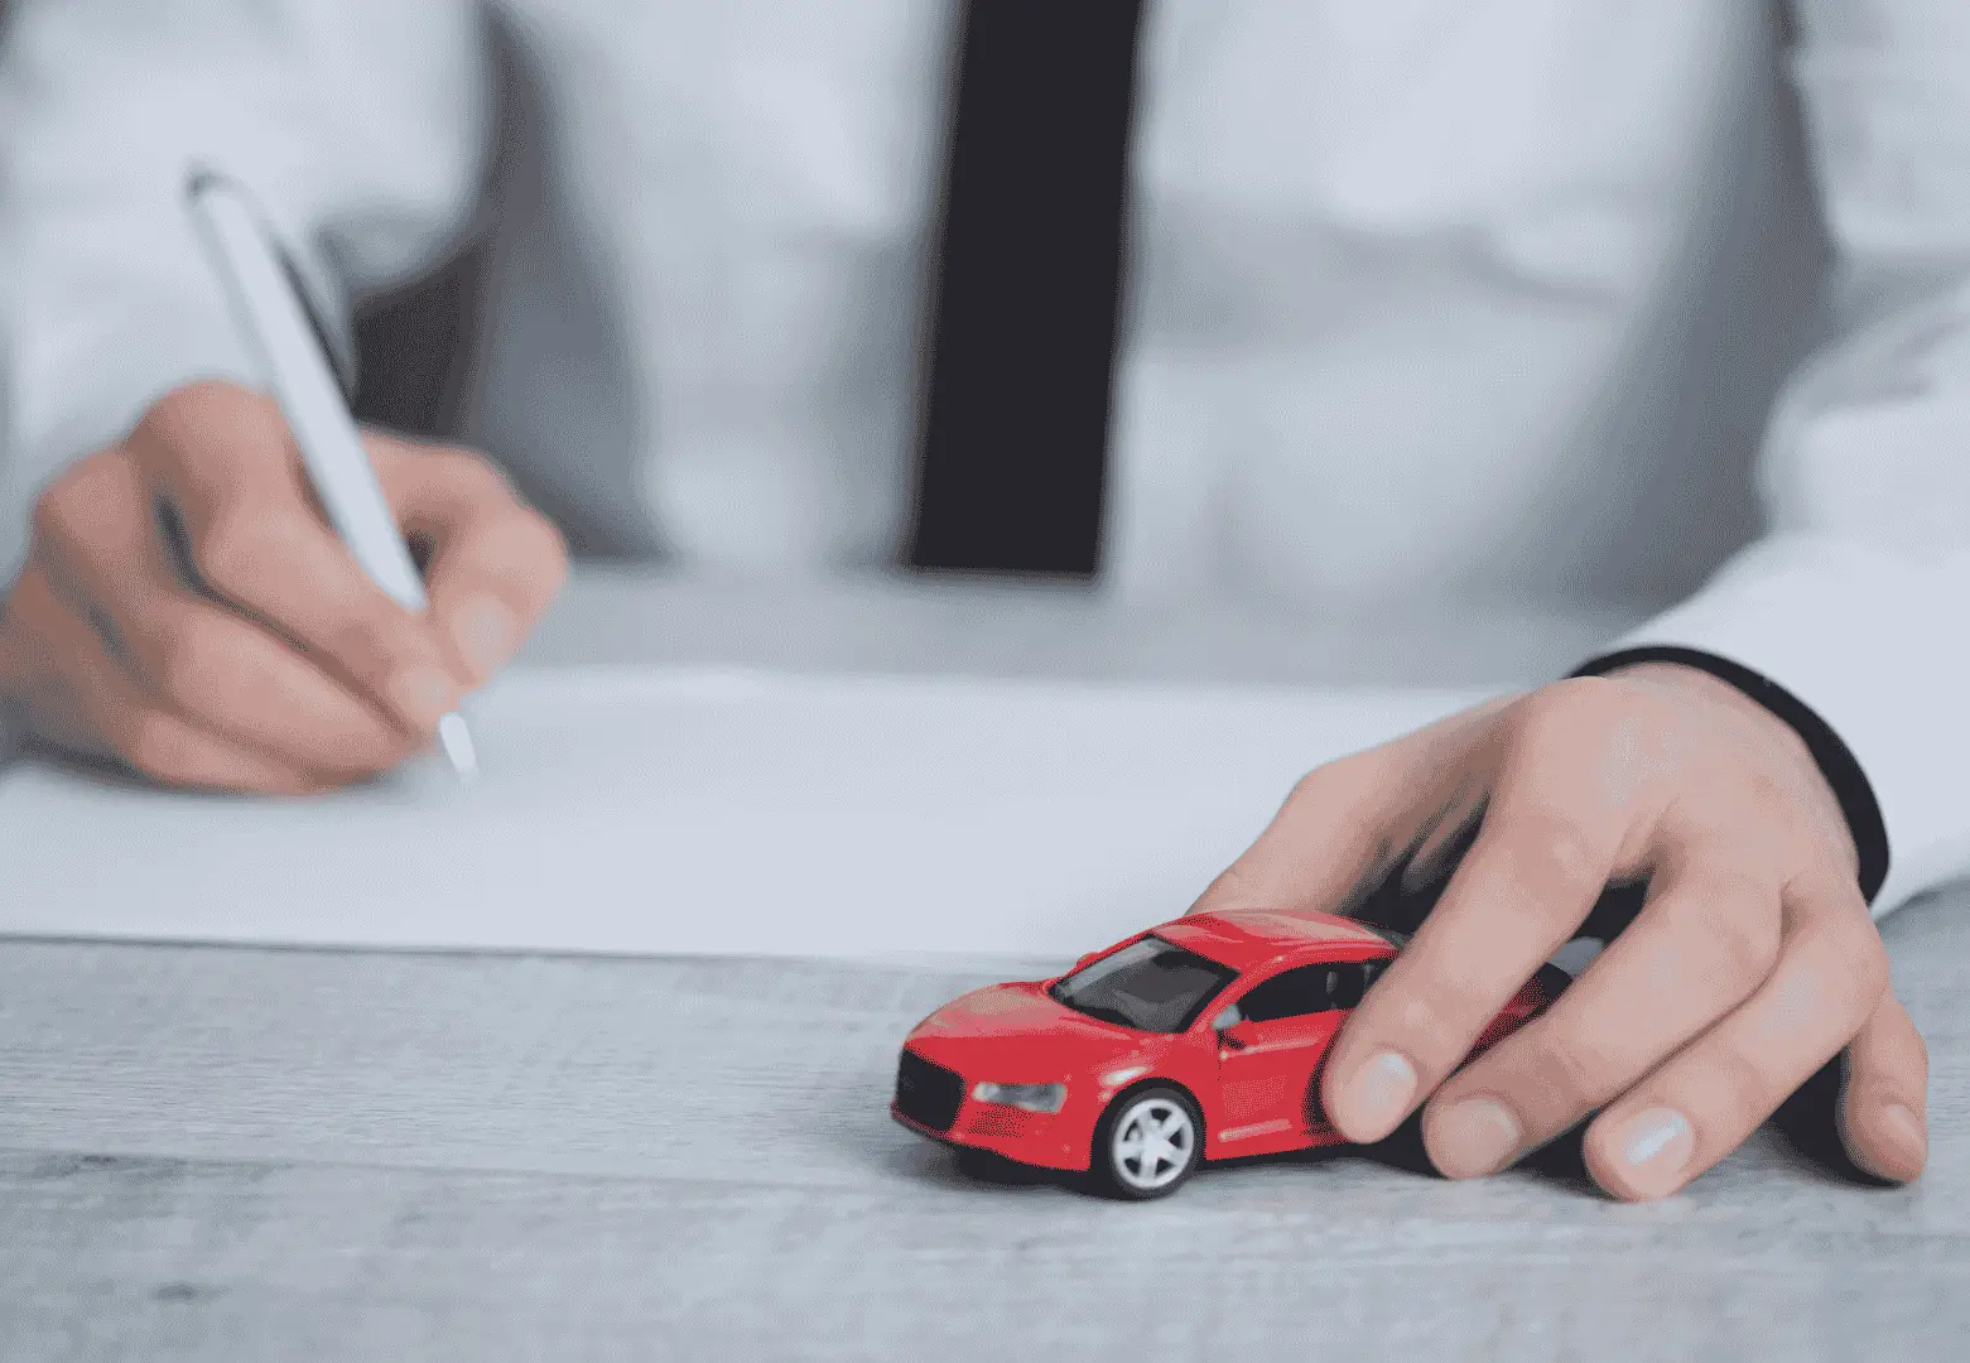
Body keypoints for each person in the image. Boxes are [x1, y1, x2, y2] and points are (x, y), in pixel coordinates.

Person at [0, 0, 1961, 1203]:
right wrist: (103, 416)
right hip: (540, 822)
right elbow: (156, 126)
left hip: (1528, 810)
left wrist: (1803, 690)